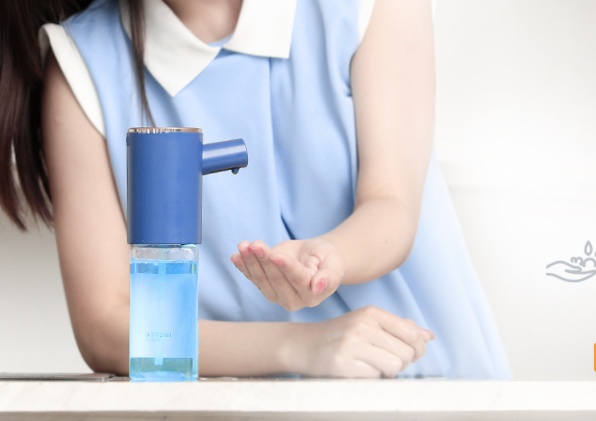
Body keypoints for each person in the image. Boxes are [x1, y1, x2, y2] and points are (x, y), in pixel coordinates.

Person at [0, 0, 510, 379]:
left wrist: (327, 259)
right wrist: (301, 346)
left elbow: (391, 205)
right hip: (242, 407)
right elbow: (106, 328)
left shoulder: (366, 8)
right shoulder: (84, 65)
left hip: (430, 382)